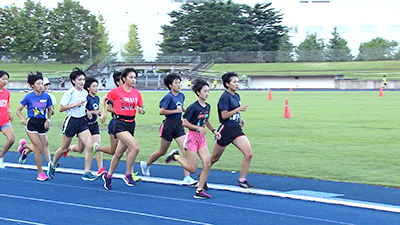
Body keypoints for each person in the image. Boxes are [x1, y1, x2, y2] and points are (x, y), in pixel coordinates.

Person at [166, 78, 221, 199]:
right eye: (205, 91)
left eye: (208, 91)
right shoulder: (193, 107)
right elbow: (184, 122)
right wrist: (197, 128)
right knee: (193, 168)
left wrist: (214, 131)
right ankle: (175, 156)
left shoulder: (208, 106)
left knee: (207, 164)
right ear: (198, 93)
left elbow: (205, 120)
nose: (207, 94)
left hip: (201, 138)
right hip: (191, 137)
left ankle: (199, 190)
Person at [140, 73, 197, 185]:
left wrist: (186, 111)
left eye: (179, 82)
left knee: (185, 149)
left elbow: (180, 107)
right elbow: (162, 111)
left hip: (178, 125)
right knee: (162, 151)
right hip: (168, 125)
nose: (179, 85)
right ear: (170, 85)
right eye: (176, 83)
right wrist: (176, 111)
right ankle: (146, 165)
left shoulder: (181, 95)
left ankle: (187, 177)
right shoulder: (168, 97)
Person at [47, 68, 97, 181]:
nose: (82, 82)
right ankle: (53, 164)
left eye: (83, 79)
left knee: (90, 146)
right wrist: (75, 104)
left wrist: (87, 112)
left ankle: (87, 172)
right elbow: (61, 108)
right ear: (73, 81)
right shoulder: (69, 93)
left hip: (82, 122)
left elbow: (83, 107)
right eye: (79, 80)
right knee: (64, 148)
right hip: (71, 122)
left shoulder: (85, 93)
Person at [100, 67, 145, 190]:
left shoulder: (136, 93)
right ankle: (128, 174)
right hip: (120, 123)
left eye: (135, 77)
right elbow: (104, 99)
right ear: (124, 79)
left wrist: (141, 110)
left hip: (131, 124)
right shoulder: (116, 91)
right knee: (135, 147)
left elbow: (140, 106)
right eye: (131, 77)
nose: (133, 80)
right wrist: (103, 113)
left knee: (118, 153)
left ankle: (108, 176)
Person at [210, 72, 254, 188]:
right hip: (225, 131)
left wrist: (240, 119)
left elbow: (235, 111)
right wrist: (238, 109)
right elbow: (224, 116)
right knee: (214, 158)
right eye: (234, 82)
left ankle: (242, 180)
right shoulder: (224, 97)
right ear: (227, 84)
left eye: (237, 82)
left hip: (236, 130)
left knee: (248, 154)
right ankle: (202, 174)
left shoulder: (237, 96)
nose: (237, 84)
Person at [63, 77, 106, 177]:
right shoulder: (85, 97)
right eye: (94, 86)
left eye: (97, 86)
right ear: (88, 88)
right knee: (80, 149)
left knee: (97, 146)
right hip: (84, 125)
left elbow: (96, 111)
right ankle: (69, 148)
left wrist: (100, 116)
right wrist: (93, 112)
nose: (96, 88)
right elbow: (83, 111)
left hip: (94, 125)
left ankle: (100, 169)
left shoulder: (97, 98)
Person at [15, 72, 53, 181]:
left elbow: (50, 109)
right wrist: (23, 119)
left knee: (43, 146)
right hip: (32, 123)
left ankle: (25, 146)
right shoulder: (28, 97)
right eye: (38, 84)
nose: (41, 86)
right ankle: (40, 173)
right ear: (32, 85)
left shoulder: (46, 96)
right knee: (38, 148)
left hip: (42, 123)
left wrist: (48, 120)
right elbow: (18, 110)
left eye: (42, 84)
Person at [0, 71, 15, 169]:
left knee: (11, 139)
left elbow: (5, 105)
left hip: (4, 121)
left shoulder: (7, 93)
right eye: (3, 79)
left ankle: (1, 157)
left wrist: (9, 113)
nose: (5, 81)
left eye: (7, 79)